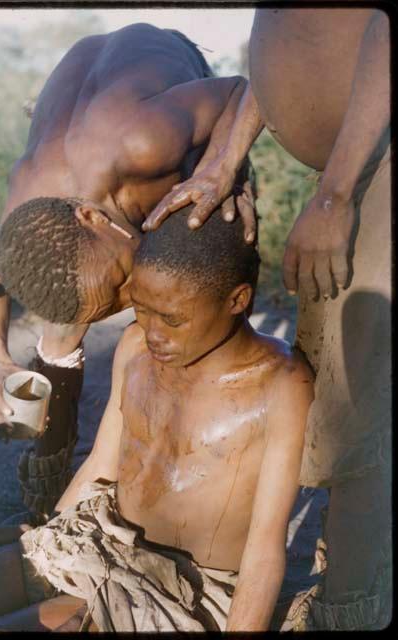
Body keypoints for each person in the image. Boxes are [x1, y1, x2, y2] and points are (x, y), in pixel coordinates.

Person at [144, 7, 391, 631]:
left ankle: (351, 609)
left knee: (354, 408)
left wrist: (334, 196)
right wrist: (222, 160)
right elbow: (289, 48)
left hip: (373, 167)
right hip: (344, 170)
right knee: (334, 385)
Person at [0, 202, 314, 632]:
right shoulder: (135, 346)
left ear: (237, 299)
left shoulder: (282, 385)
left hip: (179, 587)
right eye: (142, 310)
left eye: (171, 319)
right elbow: (100, 465)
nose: (153, 334)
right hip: (100, 537)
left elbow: (265, 549)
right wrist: (48, 538)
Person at [0, 23, 256, 522]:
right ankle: (49, 469)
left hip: (169, 101)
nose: (132, 296)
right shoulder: (27, 215)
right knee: (60, 334)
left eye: (120, 283)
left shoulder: (146, 142)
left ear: (91, 217)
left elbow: (245, 89)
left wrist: (221, 169)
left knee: (189, 290)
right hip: (81, 110)